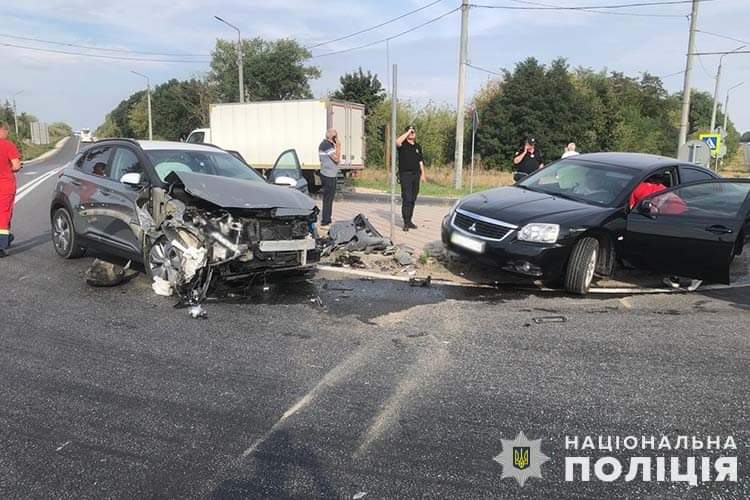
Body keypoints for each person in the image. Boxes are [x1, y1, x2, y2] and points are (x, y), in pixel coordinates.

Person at [396, 126, 426, 231]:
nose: (412, 133)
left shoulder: (418, 146)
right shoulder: (402, 145)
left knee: (413, 198)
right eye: (410, 131)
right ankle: (405, 222)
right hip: (405, 175)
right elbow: (397, 141)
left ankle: (409, 221)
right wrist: (408, 131)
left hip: (416, 175)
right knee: (407, 198)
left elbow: (420, 161)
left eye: (413, 131)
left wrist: (423, 174)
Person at [0, 122, 22, 258]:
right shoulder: (8, 145)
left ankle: (7, 238)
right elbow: (16, 166)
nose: (7, 133)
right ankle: (1, 245)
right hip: (5, 185)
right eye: (6, 130)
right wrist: (12, 167)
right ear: (1, 130)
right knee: (4, 213)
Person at [318, 128, 342, 226]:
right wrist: (339, 147)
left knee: (330, 198)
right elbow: (336, 159)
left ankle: (328, 218)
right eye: (333, 136)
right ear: (328, 135)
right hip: (328, 174)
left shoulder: (330, 145)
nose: (335, 138)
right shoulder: (326, 145)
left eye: (335, 135)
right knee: (328, 198)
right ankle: (325, 220)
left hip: (331, 174)